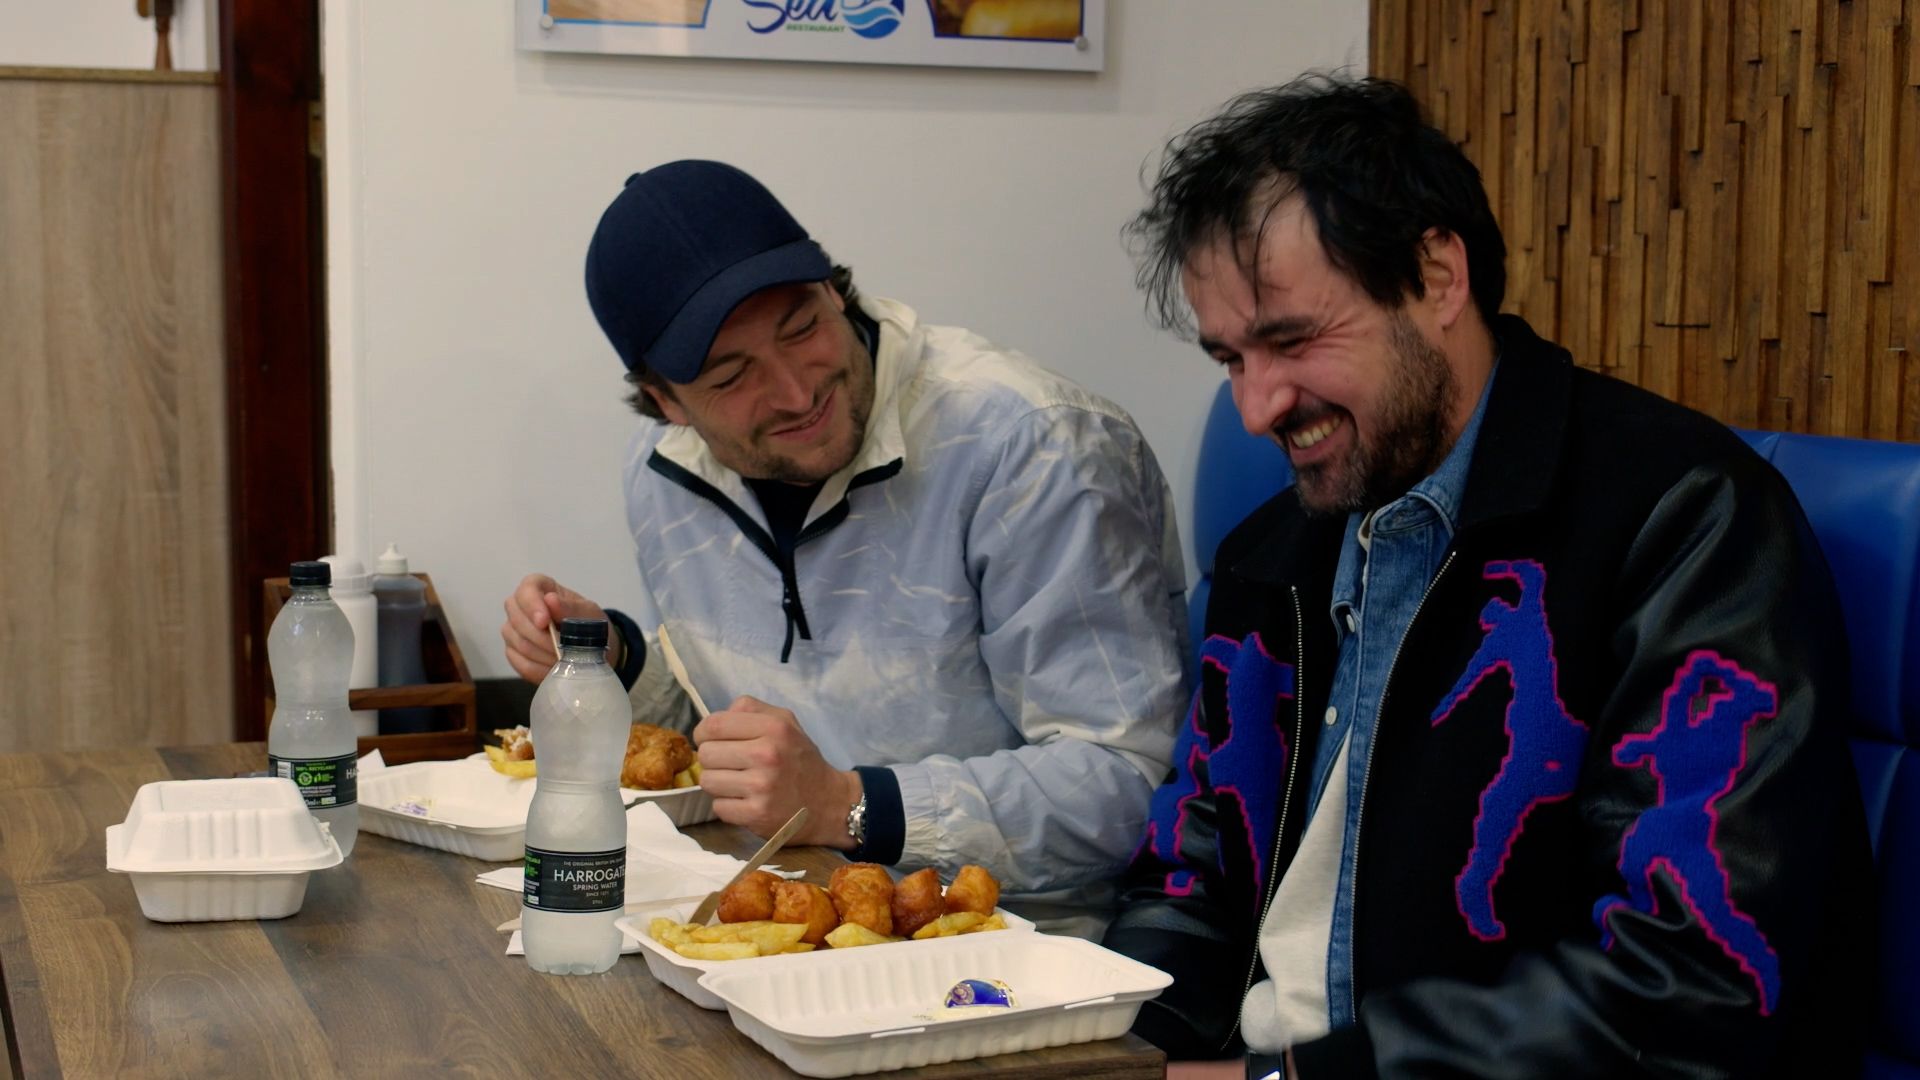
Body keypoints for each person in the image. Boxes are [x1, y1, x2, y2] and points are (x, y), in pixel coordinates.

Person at [1100, 74, 1873, 1078]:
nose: (1256, 407)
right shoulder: (1274, 556)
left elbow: (1688, 985)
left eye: (1290, 340)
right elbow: (1189, 881)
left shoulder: (1685, 524)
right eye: (1229, 359)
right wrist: (1101, 1051)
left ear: (1437, 276)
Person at [500, 160, 1190, 929]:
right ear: (666, 404)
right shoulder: (662, 472)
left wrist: (845, 806)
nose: (798, 394)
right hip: (791, 927)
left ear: (836, 288)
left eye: (804, 329)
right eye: (732, 376)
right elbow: (743, 735)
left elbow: (1126, 784)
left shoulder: (1032, 447)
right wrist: (618, 663)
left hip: (1021, 947)